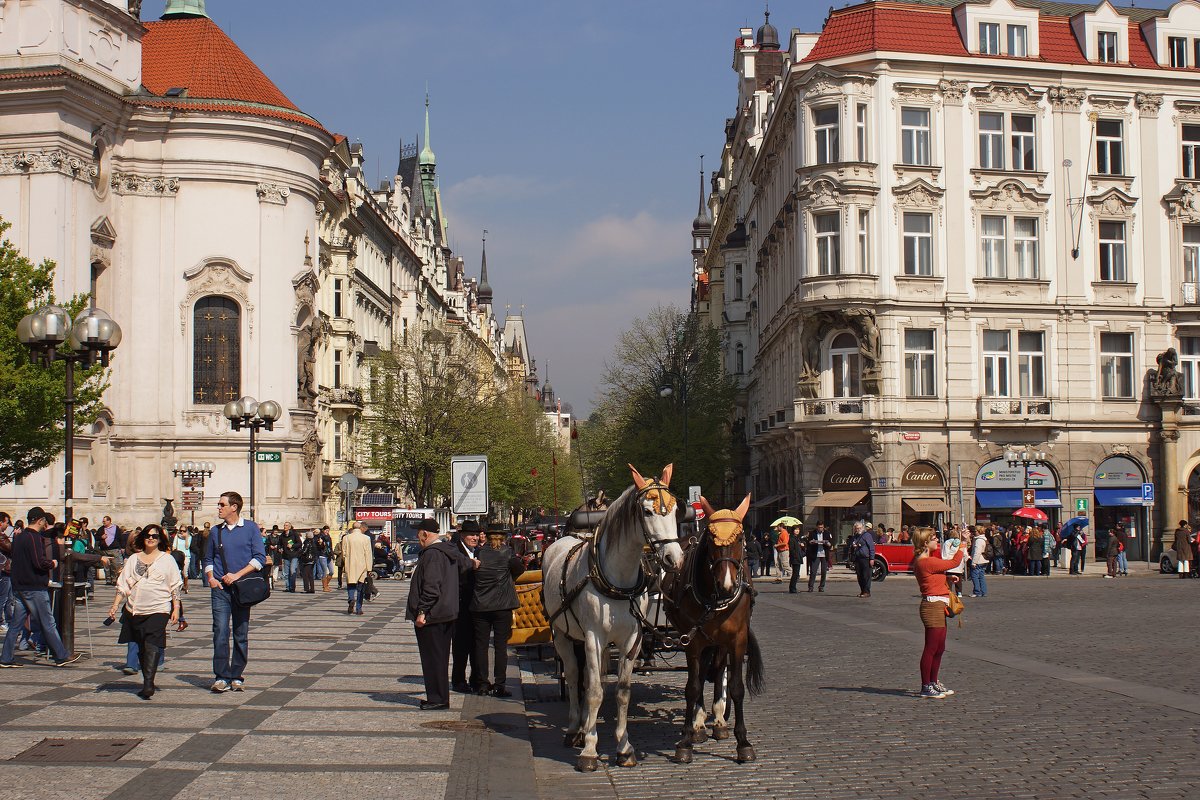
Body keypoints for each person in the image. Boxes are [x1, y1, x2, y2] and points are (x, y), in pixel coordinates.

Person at [0, 507, 83, 667]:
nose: (45, 523)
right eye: (44, 520)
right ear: (40, 520)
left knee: (16, 624)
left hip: (20, 587)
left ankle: (6, 657)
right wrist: (52, 563)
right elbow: (39, 562)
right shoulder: (35, 538)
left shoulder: (19, 537)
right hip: (34, 587)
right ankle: (61, 656)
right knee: (48, 622)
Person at [108, 524, 182, 699]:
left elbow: (175, 585)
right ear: (143, 538)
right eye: (148, 536)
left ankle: (148, 683)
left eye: (155, 536)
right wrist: (115, 605)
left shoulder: (167, 560)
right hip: (135, 608)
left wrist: (176, 608)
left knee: (152, 642)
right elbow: (123, 584)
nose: (151, 538)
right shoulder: (133, 559)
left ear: (160, 540)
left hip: (159, 607)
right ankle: (147, 679)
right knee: (141, 644)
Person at [204, 491, 266, 693]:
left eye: (222, 504)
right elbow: (208, 559)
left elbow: (259, 558)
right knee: (220, 632)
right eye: (219, 504)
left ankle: (237, 675)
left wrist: (237, 575)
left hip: (242, 589)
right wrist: (211, 578)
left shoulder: (250, 528)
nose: (219, 508)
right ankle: (221, 676)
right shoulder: (216, 531)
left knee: (241, 632)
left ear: (234, 507)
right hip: (220, 589)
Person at [406, 518, 468, 710]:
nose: (418, 538)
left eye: (419, 534)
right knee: (439, 658)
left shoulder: (432, 554)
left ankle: (437, 699)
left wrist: (422, 611)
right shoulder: (449, 551)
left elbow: (432, 586)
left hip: (433, 615)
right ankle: (439, 697)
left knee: (433, 659)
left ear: (425, 534)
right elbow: (466, 565)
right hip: (446, 612)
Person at [912, 526, 968, 699]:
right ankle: (925, 685)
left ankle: (933, 682)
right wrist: (962, 545)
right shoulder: (926, 561)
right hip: (932, 606)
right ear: (925, 542)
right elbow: (952, 563)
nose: (937, 541)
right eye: (934, 538)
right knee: (931, 647)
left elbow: (933, 577)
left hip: (938, 604)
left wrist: (947, 578)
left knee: (940, 647)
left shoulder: (927, 560)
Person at [472, 531, 524, 696]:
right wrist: (509, 578)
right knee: (500, 647)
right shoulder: (508, 552)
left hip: (481, 605)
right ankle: (499, 684)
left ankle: (482, 684)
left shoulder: (479, 552)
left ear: (486, 537)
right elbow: (519, 569)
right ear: (503, 538)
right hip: (502, 605)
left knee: (481, 646)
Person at [451, 521, 483, 693]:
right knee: (460, 645)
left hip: (477, 605)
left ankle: (476, 679)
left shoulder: (480, 551)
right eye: (472, 535)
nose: (475, 538)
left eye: (477, 535)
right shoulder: (454, 550)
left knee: (477, 644)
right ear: (463, 535)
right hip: (460, 603)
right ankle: (458, 680)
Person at [341, 521, 373, 615]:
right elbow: (368, 554)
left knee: (351, 584)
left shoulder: (346, 538)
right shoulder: (366, 538)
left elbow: (344, 553)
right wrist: (369, 568)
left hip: (350, 564)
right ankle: (359, 609)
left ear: (352, 527)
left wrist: (346, 562)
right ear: (360, 528)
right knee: (360, 587)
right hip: (362, 565)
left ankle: (351, 599)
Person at [850, 521, 875, 598]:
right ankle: (862, 591)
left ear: (863, 528)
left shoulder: (867, 535)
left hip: (866, 558)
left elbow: (871, 547)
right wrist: (853, 546)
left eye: (859, 528)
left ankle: (867, 591)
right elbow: (851, 545)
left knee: (866, 576)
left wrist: (872, 558)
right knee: (859, 576)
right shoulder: (855, 536)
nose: (858, 529)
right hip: (858, 558)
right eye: (856, 528)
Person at [807, 523, 832, 592]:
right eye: (819, 527)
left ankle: (821, 586)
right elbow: (808, 543)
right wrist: (812, 542)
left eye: (822, 527)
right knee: (813, 571)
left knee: (824, 571)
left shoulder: (827, 533)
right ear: (816, 527)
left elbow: (830, 544)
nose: (820, 529)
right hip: (816, 554)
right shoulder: (812, 533)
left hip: (824, 554)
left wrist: (826, 543)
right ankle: (810, 586)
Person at [968, 527, 989, 597]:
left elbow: (977, 552)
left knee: (975, 577)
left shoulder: (979, 540)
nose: (974, 532)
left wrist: (974, 562)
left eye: (975, 531)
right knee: (981, 577)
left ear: (978, 531)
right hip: (984, 560)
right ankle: (984, 591)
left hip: (978, 560)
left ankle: (977, 592)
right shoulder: (984, 539)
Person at [281, 523, 301, 592]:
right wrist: (280, 548)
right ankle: (288, 587)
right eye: (284, 525)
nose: (284, 526)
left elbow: (299, 544)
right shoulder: (282, 535)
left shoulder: (294, 534)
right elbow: (279, 544)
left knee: (292, 571)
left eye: (286, 525)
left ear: (289, 527)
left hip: (294, 555)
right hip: (286, 556)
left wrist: (292, 546)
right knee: (286, 573)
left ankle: (292, 587)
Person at [316, 525, 334, 592]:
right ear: (323, 530)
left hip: (329, 555)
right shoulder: (320, 537)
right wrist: (321, 543)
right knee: (324, 571)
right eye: (326, 530)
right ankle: (325, 587)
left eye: (328, 531)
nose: (327, 532)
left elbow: (330, 547)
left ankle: (326, 585)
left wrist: (332, 555)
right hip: (323, 555)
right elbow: (319, 547)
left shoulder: (329, 537)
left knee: (332, 571)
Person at [787, 527, 805, 593]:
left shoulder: (798, 538)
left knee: (796, 574)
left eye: (798, 529)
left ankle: (793, 587)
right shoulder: (792, 538)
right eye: (796, 529)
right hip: (795, 558)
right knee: (795, 574)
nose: (797, 531)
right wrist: (796, 556)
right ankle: (792, 588)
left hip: (798, 557)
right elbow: (792, 550)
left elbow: (801, 547)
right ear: (793, 530)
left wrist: (802, 545)